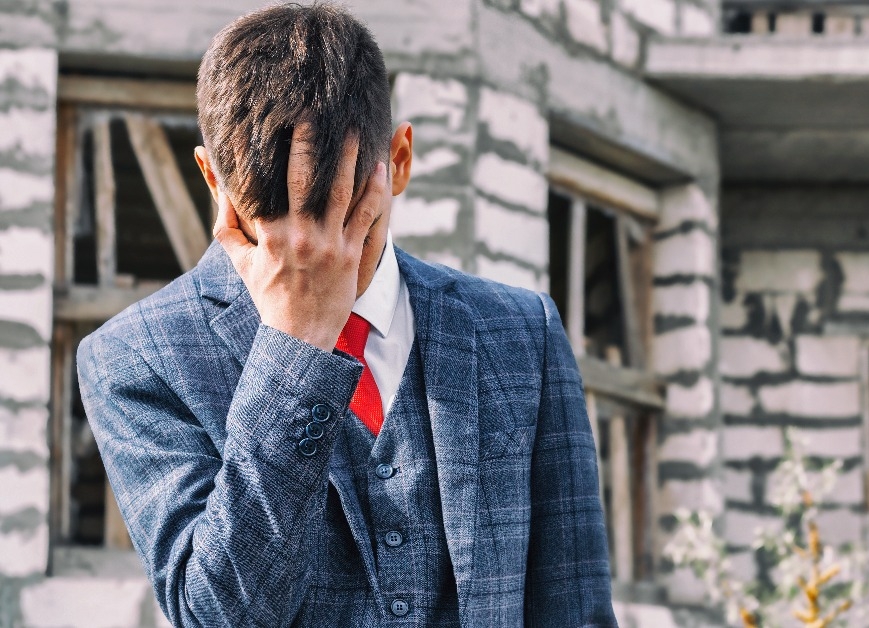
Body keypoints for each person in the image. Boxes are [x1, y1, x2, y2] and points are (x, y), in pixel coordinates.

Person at [76, 5, 616, 626]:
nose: (311, 257)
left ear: (401, 161)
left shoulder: (522, 333)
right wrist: (295, 346)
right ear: (211, 177)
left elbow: (577, 612)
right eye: (272, 229)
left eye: (343, 223)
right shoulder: (131, 359)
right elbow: (217, 616)